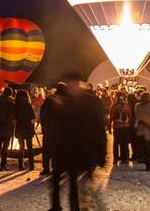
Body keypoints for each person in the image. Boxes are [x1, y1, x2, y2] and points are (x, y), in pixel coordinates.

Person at [48, 72, 106, 211]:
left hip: (78, 150)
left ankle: (73, 208)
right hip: (66, 150)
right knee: (60, 181)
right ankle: (58, 206)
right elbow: (55, 127)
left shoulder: (83, 102)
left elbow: (97, 128)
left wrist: (100, 153)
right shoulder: (63, 101)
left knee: (74, 184)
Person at [39, 83, 64, 175]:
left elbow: (42, 113)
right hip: (60, 131)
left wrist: (44, 126)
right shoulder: (64, 100)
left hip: (49, 130)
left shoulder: (49, 99)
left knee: (46, 151)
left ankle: (46, 169)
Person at [0, 88, 15, 170]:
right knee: (5, 148)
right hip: (7, 128)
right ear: (10, 94)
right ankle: (3, 164)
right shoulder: (11, 104)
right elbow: (12, 116)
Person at [134, 91, 150, 171]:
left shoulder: (137, 106)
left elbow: (137, 117)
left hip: (141, 130)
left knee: (144, 149)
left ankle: (148, 165)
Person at [14, 89, 36, 170]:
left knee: (21, 147)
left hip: (19, 128)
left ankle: (20, 165)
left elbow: (14, 116)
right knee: (30, 147)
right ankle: (31, 165)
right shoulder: (28, 104)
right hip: (28, 127)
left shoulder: (15, 105)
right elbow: (33, 116)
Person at [109, 92, 132, 165]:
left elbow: (111, 117)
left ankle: (116, 159)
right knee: (124, 143)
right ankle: (125, 158)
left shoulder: (114, 106)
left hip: (117, 127)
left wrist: (109, 127)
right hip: (126, 126)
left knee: (116, 143)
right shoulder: (127, 105)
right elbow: (130, 116)